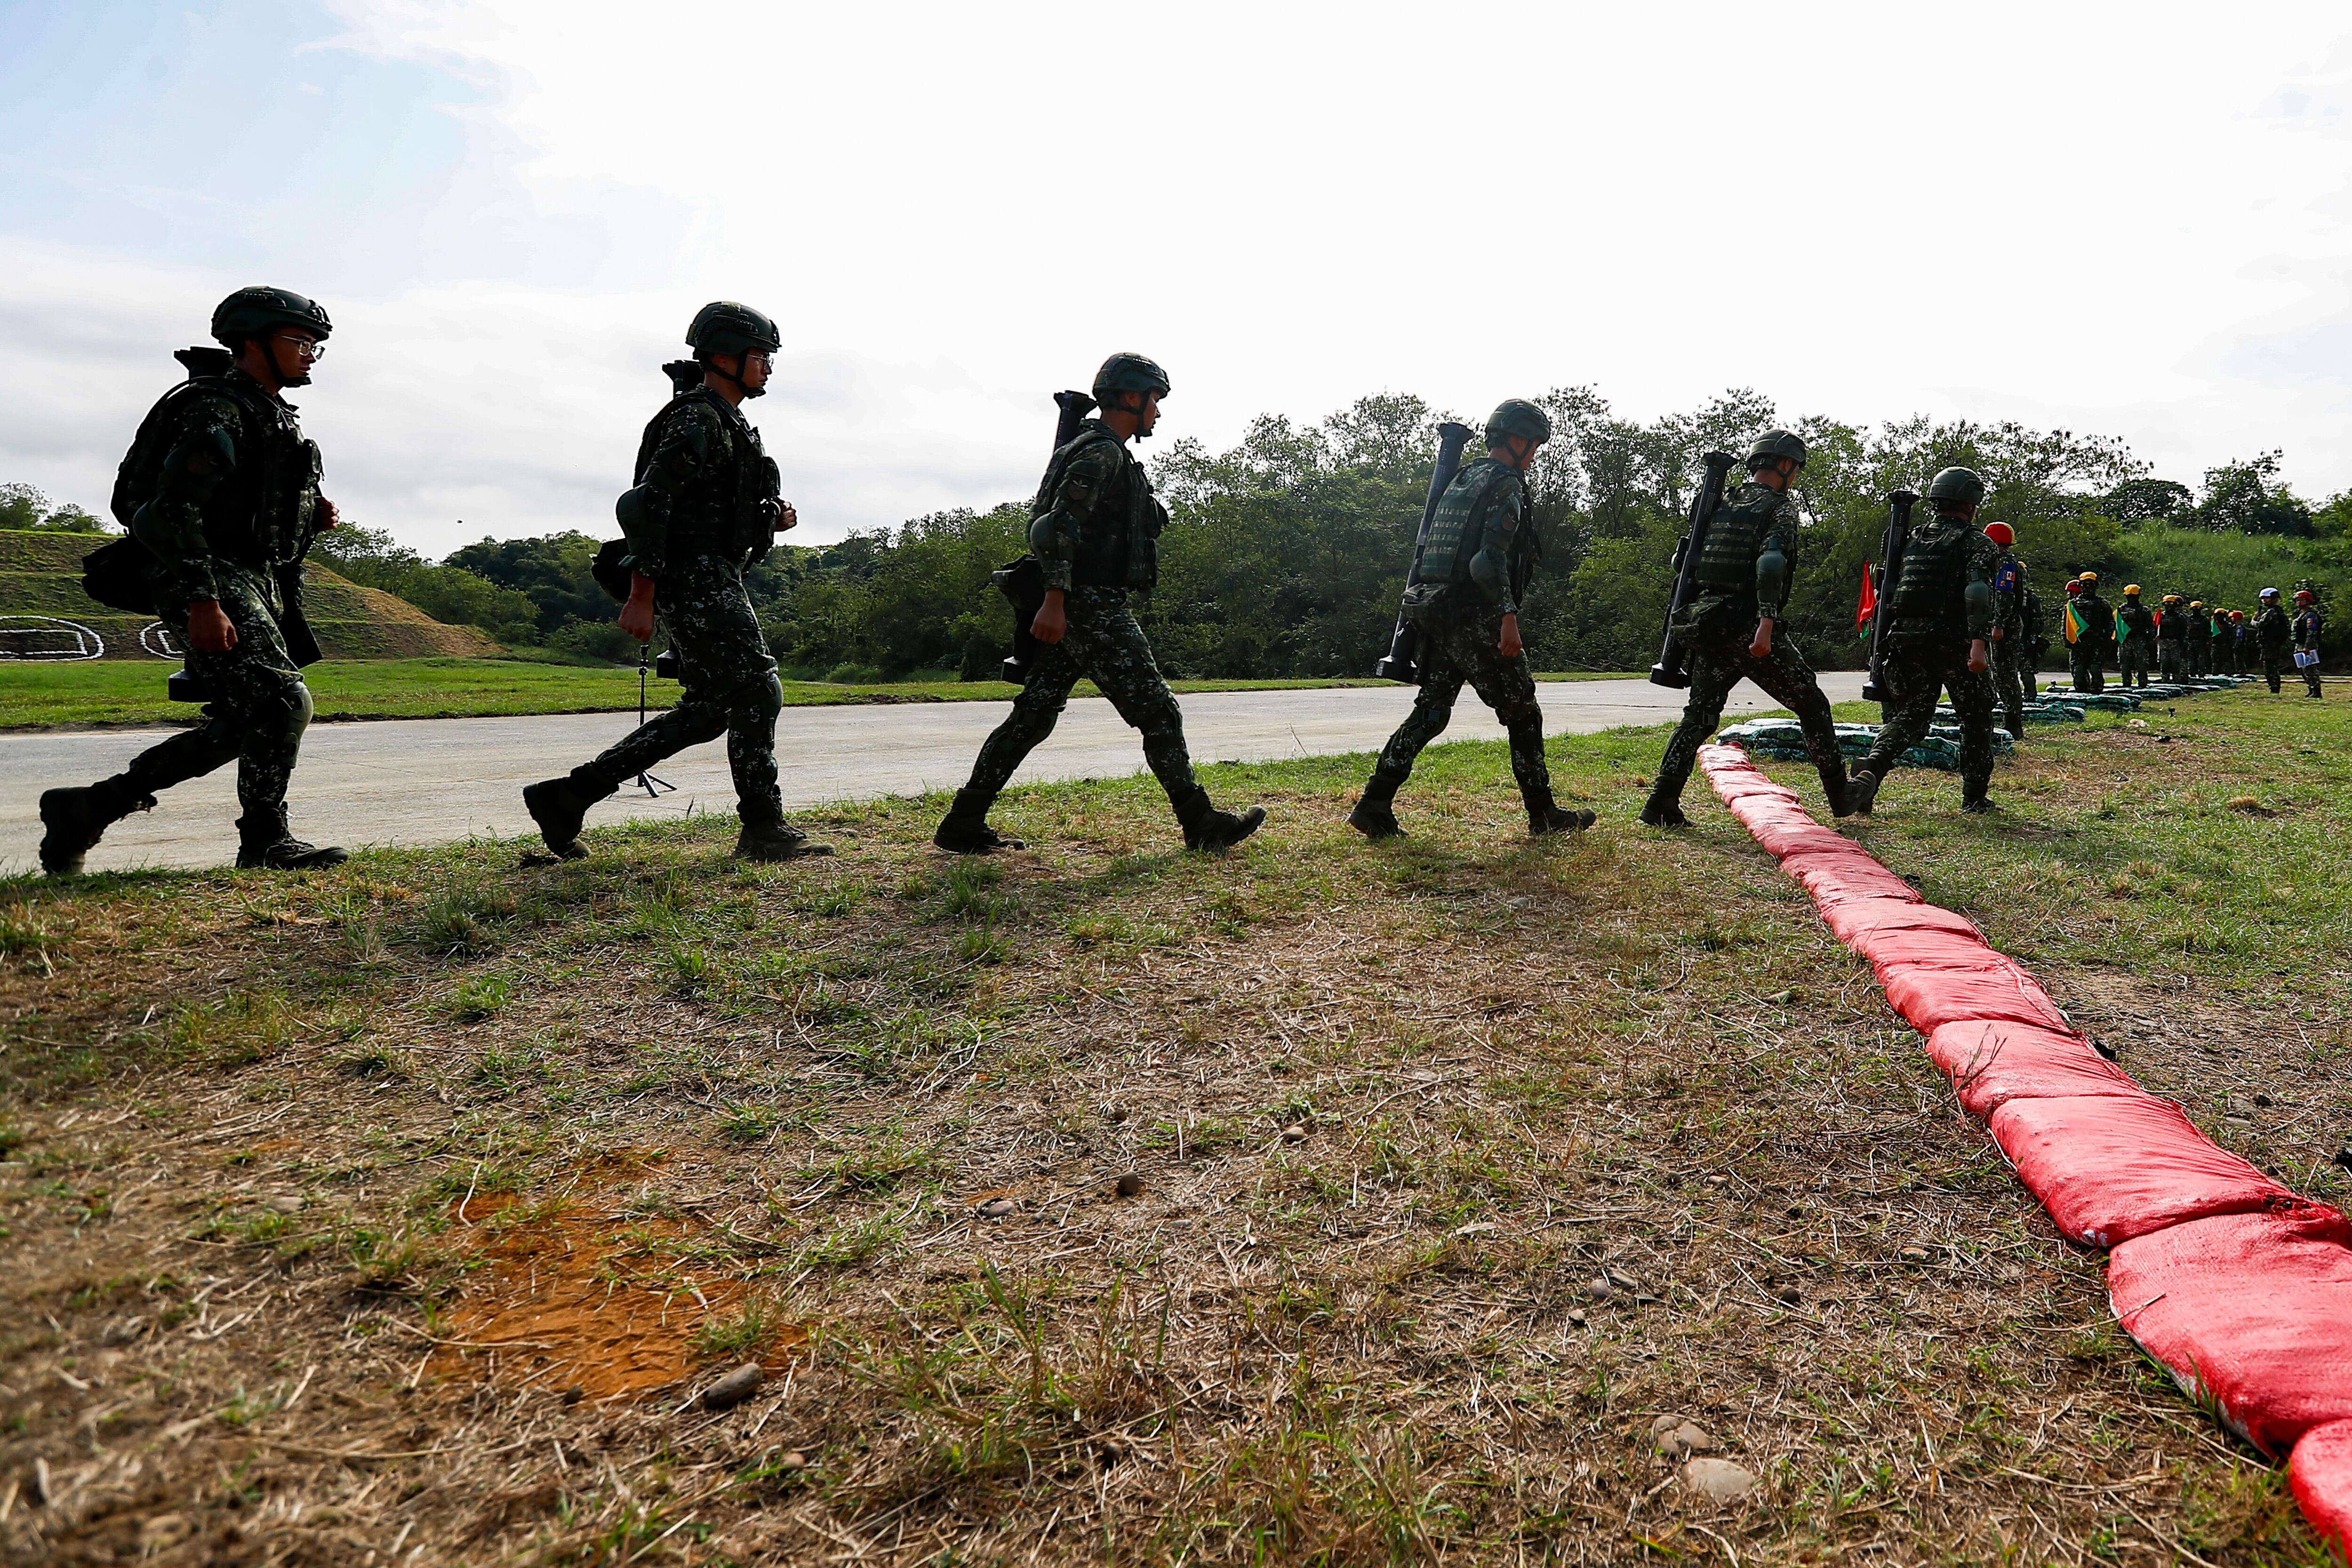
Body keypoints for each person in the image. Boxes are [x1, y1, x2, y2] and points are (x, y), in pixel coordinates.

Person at [39, 287, 348, 875]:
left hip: (254, 578)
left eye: (315, 346)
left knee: (247, 721)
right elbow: (165, 511)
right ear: (253, 342)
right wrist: (203, 599)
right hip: (206, 574)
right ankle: (264, 841)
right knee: (283, 701)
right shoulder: (217, 406)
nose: (310, 354)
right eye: (300, 342)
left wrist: (311, 511)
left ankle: (87, 809)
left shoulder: (265, 410)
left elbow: (245, 502)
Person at [523, 302, 829, 862]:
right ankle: (763, 827)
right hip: (693, 577)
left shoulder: (727, 420)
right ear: (722, 356)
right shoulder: (698, 416)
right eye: (758, 356)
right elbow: (648, 503)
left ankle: (568, 796)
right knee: (759, 689)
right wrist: (642, 595)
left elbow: (708, 508)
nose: (766, 367)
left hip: (712, 573)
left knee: (710, 711)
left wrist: (771, 520)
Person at [933, 353, 1265, 854]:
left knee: (1032, 717)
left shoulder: (1105, 451)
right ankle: (1199, 821)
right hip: (1088, 605)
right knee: (1158, 711)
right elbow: (1057, 529)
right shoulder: (1101, 453)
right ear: (1131, 397)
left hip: (1078, 603)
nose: (1157, 411)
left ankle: (963, 820)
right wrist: (1055, 601)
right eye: (1154, 400)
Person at [1352, 400, 1596, 837]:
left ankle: (1374, 803)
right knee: (1523, 711)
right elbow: (1487, 561)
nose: (1536, 452)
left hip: (1439, 612)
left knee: (1431, 711)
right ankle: (1543, 813)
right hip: (1475, 615)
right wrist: (1508, 618)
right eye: (1535, 443)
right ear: (1518, 440)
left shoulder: (1463, 478)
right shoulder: (1505, 485)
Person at [1638, 430, 1855, 827]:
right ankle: (1841, 794)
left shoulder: (1719, 504)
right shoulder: (1779, 508)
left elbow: (1682, 562)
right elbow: (1771, 565)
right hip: (1748, 625)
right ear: (1786, 466)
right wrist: (1766, 625)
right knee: (1811, 703)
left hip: (1709, 622)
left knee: (1700, 715)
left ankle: (1661, 800)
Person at [1843, 467, 2000, 815]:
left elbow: (1889, 585)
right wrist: (1978, 644)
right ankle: (1974, 795)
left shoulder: (1909, 538)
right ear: (1972, 503)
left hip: (1906, 638)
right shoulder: (1977, 542)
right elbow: (1977, 593)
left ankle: (1872, 766)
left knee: (1912, 716)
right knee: (1976, 716)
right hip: (1953, 641)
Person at [1986, 522, 2032, 739]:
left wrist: (1998, 624)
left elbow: (2004, 596)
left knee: (2005, 674)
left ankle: (2013, 722)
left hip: (2005, 625)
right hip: (2007, 623)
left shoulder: (2005, 564)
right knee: (2001, 673)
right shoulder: (2007, 562)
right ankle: (2009, 719)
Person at [2070, 572, 2114, 693]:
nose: (2088, 588)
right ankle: (2081, 692)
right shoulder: (2072, 604)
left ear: (2095, 586)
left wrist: (2106, 639)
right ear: (2081, 586)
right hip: (2079, 643)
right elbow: (2067, 624)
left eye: (2091, 585)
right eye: (2085, 585)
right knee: (2079, 671)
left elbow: (2110, 623)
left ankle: (2097, 691)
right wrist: (2067, 640)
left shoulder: (2102, 604)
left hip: (2097, 642)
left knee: (2095, 669)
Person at [2115, 584, 2156, 688]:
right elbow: (2116, 625)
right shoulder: (2121, 609)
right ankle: (2126, 684)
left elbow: (2151, 627)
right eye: (2129, 597)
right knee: (2125, 664)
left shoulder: (2144, 610)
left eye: (2134, 596)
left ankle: (2143, 684)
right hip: (2125, 640)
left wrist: (2150, 641)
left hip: (2140, 640)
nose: (2132, 599)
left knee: (2141, 664)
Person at [2252, 588, 2290, 693]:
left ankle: (2274, 688)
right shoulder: (2279, 611)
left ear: (2274, 599)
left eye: (2267, 598)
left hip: (2270, 643)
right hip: (2275, 643)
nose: (2264, 601)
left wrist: (2254, 621)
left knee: (2270, 668)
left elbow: (2261, 625)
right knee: (2272, 666)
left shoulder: (2271, 612)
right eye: (2263, 598)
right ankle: (2275, 687)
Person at [2293, 589, 2325, 697]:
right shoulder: (2301, 615)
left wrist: (2308, 647)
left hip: (2307, 645)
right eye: (2297, 600)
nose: (2299, 602)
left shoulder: (2311, 615)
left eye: (2302, 600)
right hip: (2300, 644)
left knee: (2310, 669)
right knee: (2304, 670)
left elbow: (2312, 632)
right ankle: (2311, 689)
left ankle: (2316, 691)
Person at [2156, 593, 2188, 682]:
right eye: (2167, 605)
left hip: (2175, 642)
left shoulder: (2180, 617)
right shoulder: (2161, 616)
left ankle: (2177, 679)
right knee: (2164, 662)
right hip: (2164, 642)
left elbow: (2184, 630)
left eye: (2171, 604)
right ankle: (2165, 679)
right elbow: (2156, 627)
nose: (2168, 607)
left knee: (2175, 663)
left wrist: (2183, 642)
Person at [2184, 600, 2211, 677]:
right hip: (2190, 641)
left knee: (2201, 659)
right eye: (2194, 609)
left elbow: (2209, 631)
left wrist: (2208, 642)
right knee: (2191, 659)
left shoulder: (2205, 620)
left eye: (2197, 609)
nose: (2196, 611)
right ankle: (2192, 674)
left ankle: (2201, 674)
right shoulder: (2188, 619)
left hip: (2201, 641)